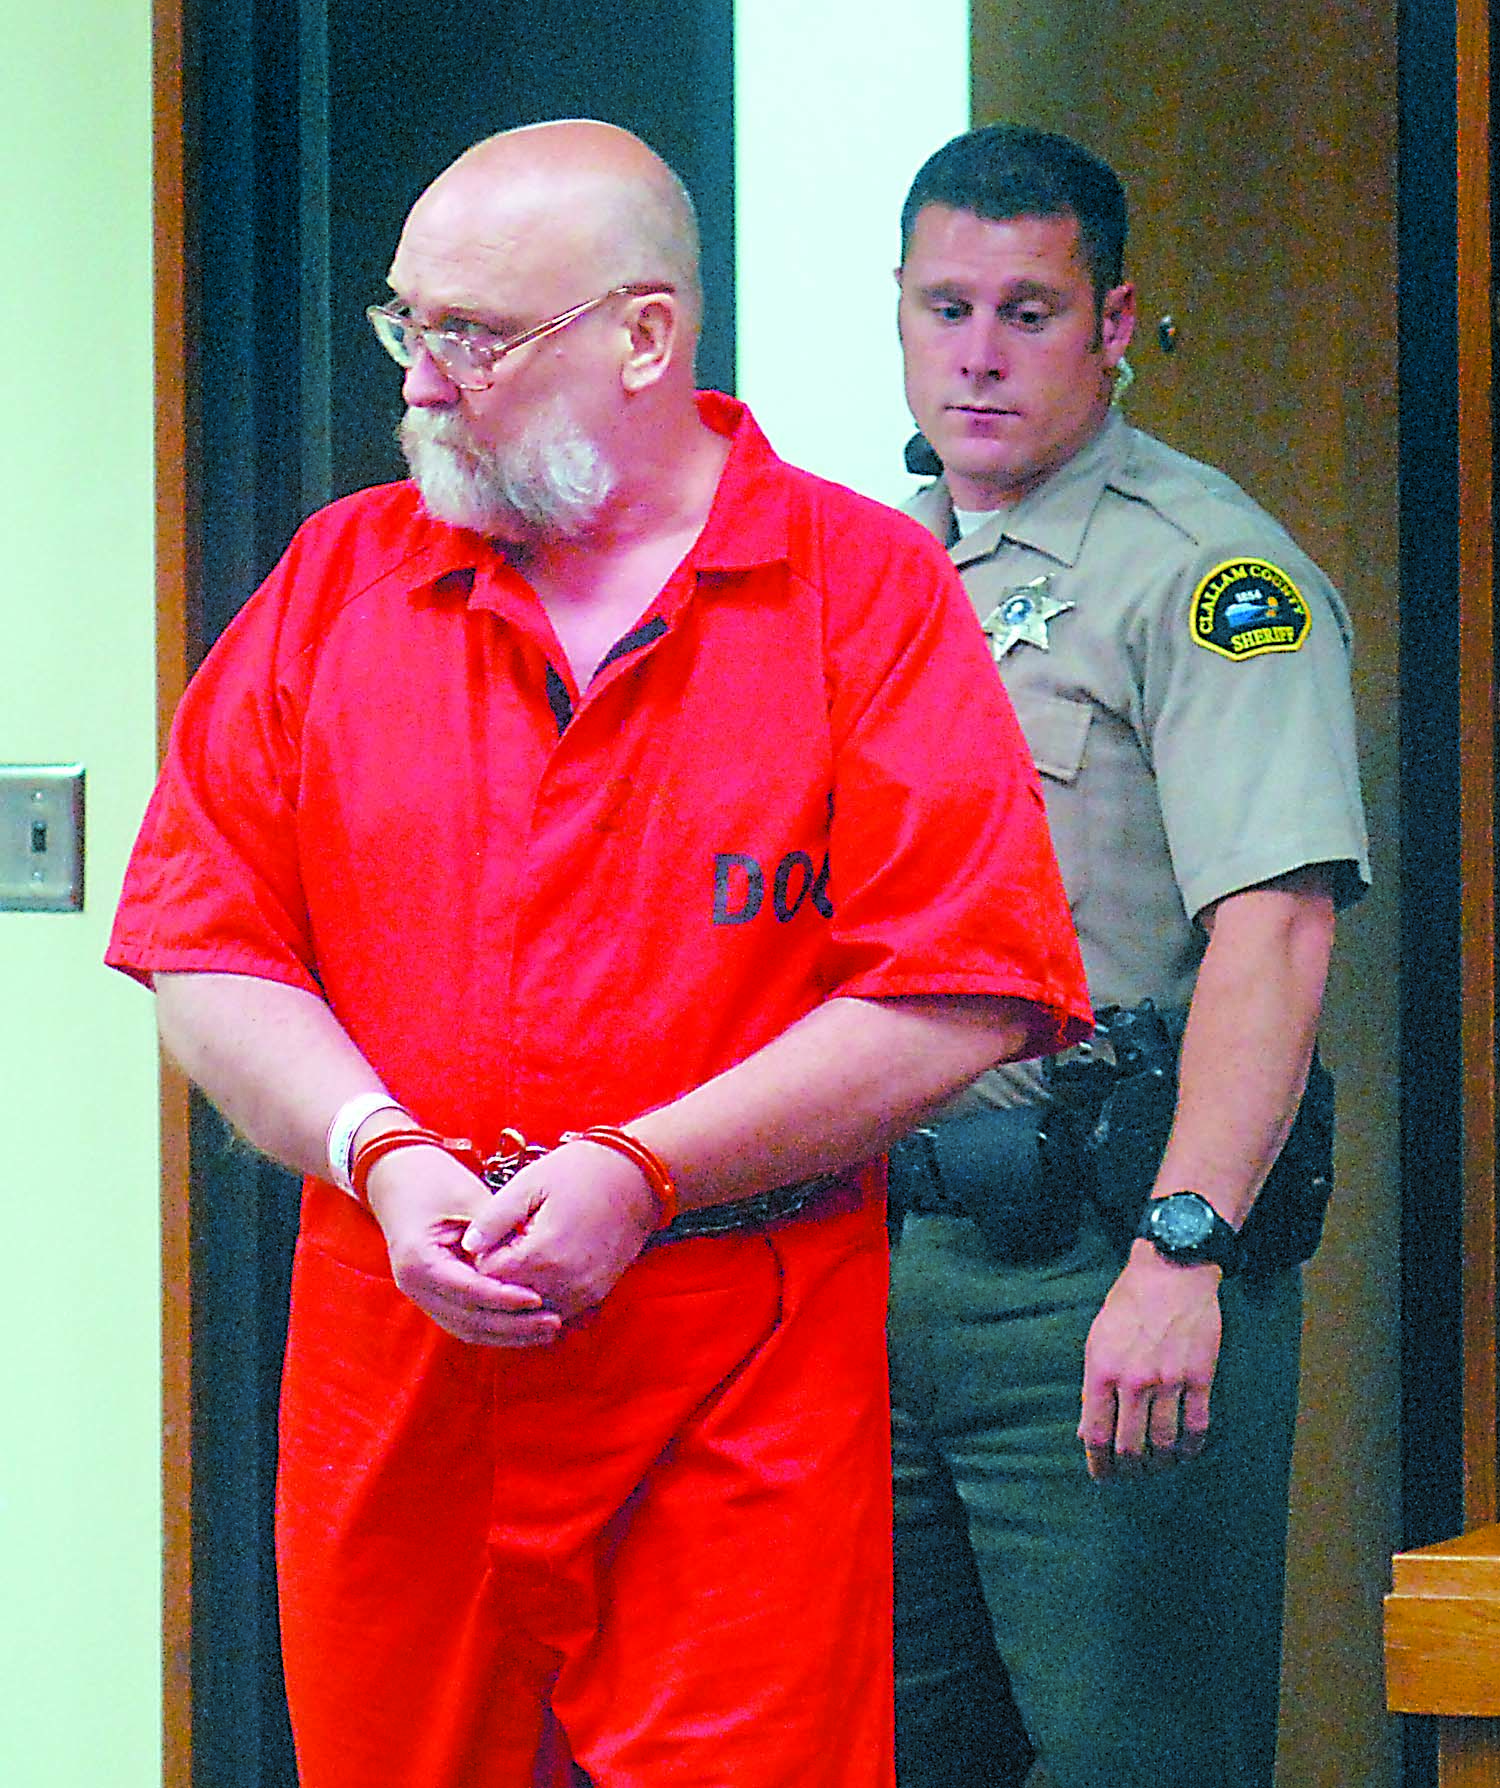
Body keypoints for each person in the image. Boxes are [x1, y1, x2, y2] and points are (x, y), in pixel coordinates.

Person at [107, 120, 1091, 1788]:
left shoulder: (862, 594)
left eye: (471, 336)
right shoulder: (340, 582)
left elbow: (965, 983)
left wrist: (642, 1169)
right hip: (398, 1339)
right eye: (404, 325)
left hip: (736, 1352)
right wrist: (381, 1152)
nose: (417, 380)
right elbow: (202, 938)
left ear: (644, 336)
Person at [886, 123, 1370, 1788]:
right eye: (945, 306)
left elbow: (1278, 927)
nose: (979, 352)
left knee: (1136, 1760)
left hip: (1097, 1271)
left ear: (1113, 322)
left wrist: (1184, 1254)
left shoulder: (1215, 579)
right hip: (877, 1274)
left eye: (1029, 310)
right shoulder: (869, 576)